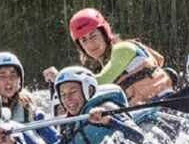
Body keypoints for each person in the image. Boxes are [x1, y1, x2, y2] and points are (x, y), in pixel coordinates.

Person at [43, 8, 175, 105]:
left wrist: (61, 78)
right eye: (84, 40)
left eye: (93, 36)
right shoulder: (105, 65)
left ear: (105, 34)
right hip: (146, 111)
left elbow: (101, 80)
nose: (90, 44)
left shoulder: (123, 49)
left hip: (164, 103)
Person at [50, 66, 145, 144]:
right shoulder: (70, 125)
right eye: (63, 94)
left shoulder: (107, 107)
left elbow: (139, 137)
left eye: (72, 92)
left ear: (88, 90)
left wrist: (109, 121)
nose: (68, 99)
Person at [0, 51, 59, 144]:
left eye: (13, 75)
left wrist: (60, 83)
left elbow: (56, 142)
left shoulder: (30, 111)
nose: (9, 81)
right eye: (2, 76)